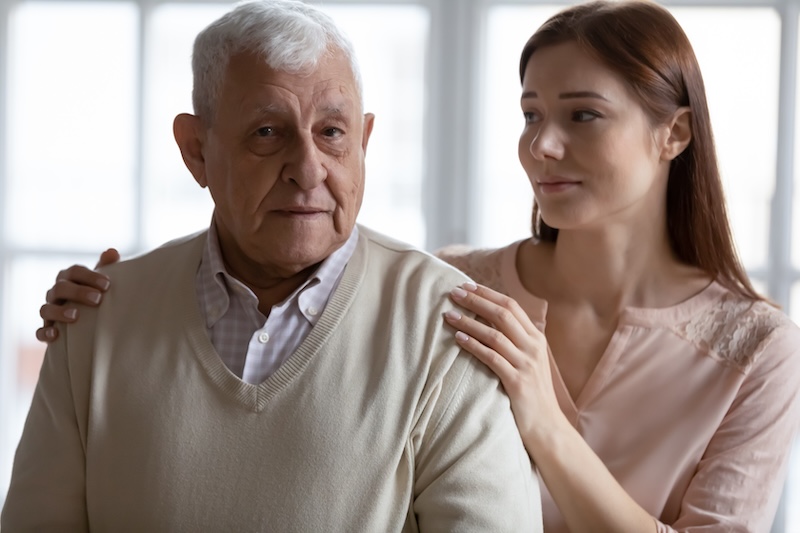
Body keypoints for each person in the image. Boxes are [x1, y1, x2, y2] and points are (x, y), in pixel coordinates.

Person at [30, 0, 800, 531]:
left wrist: (544, 421)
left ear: (674, 135)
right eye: (531, 113)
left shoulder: (759, 350)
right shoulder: (458, 291)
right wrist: (123, 301)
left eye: (583, 115)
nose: (541, 144)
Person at [1, 1, 543, 530]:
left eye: (332, 132)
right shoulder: (95, 319)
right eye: (267, 132)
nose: (308, 169)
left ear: (364, 141)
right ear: (196, 151)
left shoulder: (450, 331)